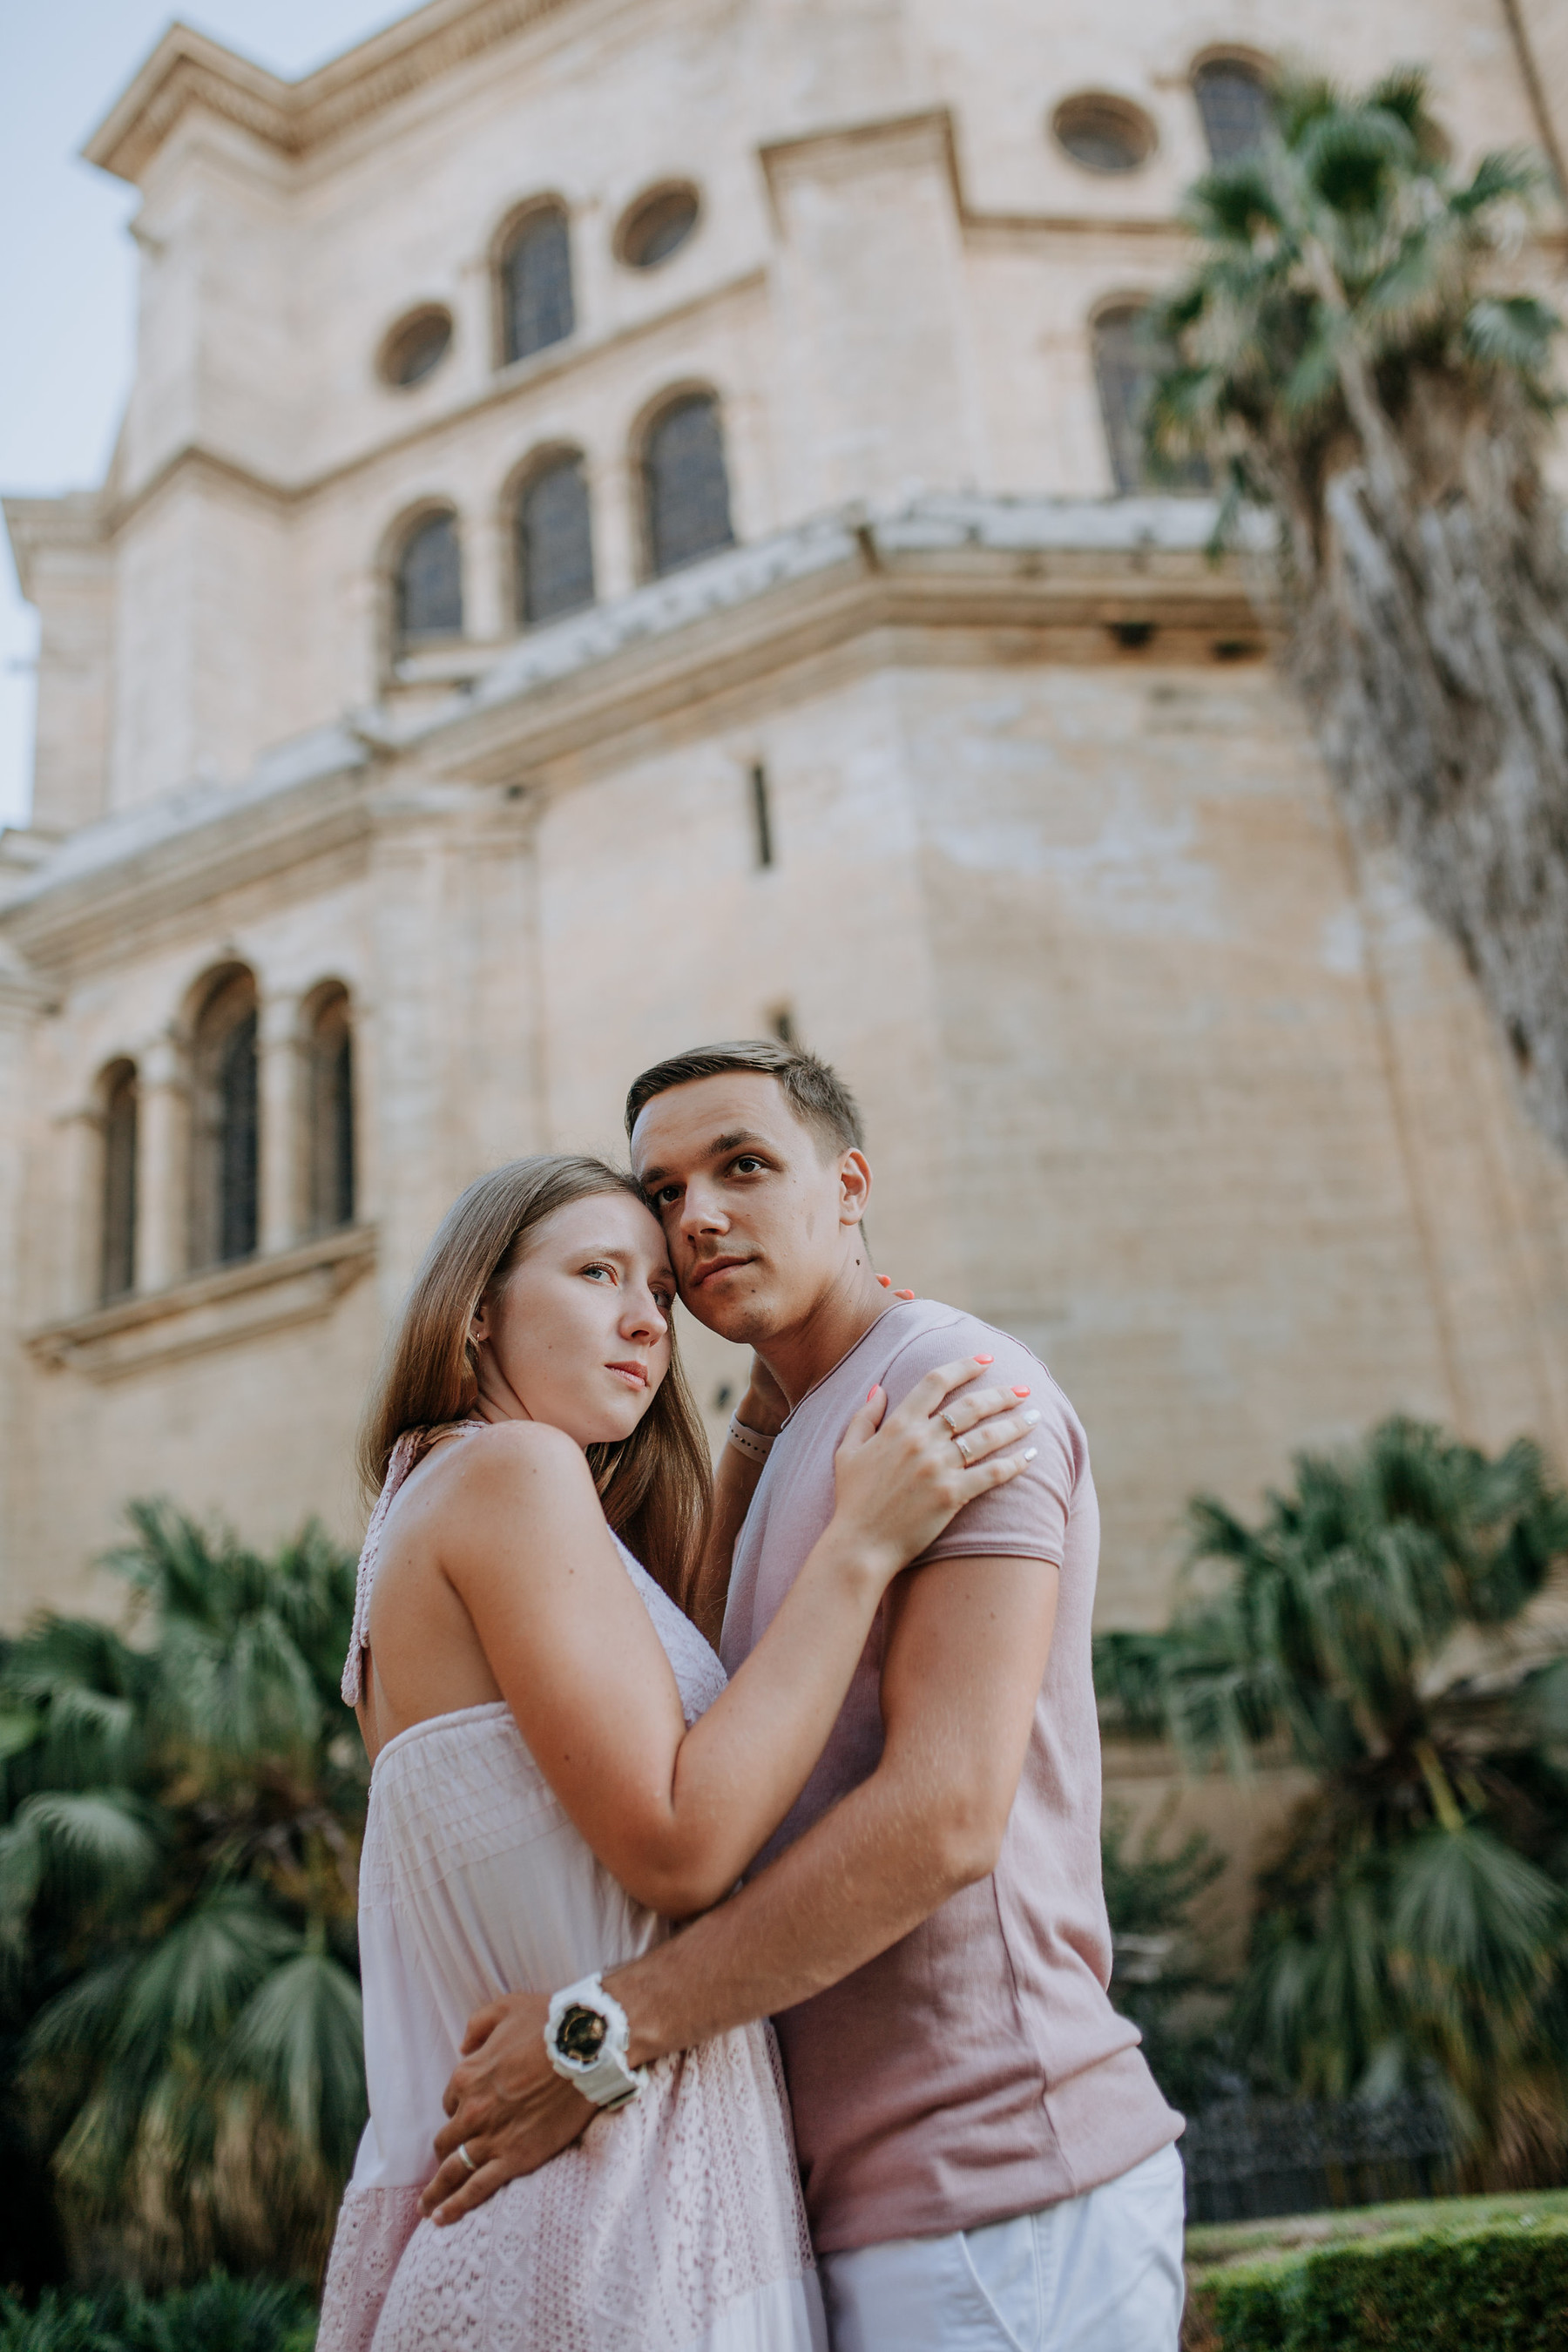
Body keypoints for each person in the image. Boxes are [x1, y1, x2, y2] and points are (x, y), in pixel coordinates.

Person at [424, 1044, 1187, 2352]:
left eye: (744, 1166)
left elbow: (948, 1818)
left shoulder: (957, 1393)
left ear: (848, 1187)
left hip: (996, 2190)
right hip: (829, 2202)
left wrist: (601, 2038)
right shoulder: (786, 1431)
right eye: (664, 1191)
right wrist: (756, 1433)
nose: (700, 1215)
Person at [315, 1150, 1036, 2352]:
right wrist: (859, 1546)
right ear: (476, 1310)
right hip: (609, 2229)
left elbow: (637, 1747)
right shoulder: (510, 1470)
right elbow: (680, 1843)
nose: (645, 1319)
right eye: (598, 1273)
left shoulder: (420, 1507)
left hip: (539, 2221)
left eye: (657, 1291)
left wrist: (763, 1420)